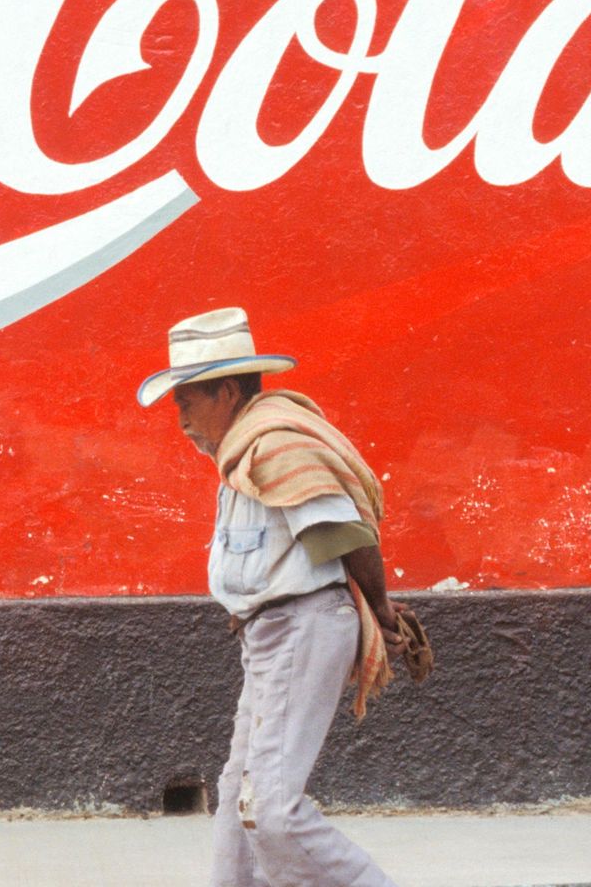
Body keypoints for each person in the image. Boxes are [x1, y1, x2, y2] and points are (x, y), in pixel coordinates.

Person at [138, 306, 420, 887]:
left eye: (188, 397)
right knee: (238, 794)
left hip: (302, 626)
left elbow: (345, 533)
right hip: (271, 634)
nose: (180, 413)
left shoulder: (273, 446)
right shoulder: (246, 449)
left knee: (272, 812)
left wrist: (384, 613)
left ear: (229, 390)